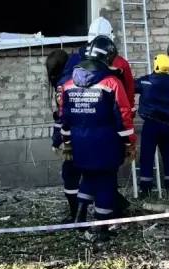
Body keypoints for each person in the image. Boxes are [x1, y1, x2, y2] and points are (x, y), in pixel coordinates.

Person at [56, 35, 135, 245]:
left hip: (80, 145)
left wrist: (67, 143)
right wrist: (129, 143)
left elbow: (64, 117)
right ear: (107, 57)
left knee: (89, 178)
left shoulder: (69, 84)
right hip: (106, 144)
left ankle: (80, 218)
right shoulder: (111, 83)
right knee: (106, 184)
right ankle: (102, 228)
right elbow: (123, 116)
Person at [135, 53, 169, 198]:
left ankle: (145, 190)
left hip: (151, 124)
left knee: (147, 157)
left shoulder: (146, 81)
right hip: (167, 125)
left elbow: (132, 87)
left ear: (156, 65)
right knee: (168, 156)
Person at [45, 48, 80, 223]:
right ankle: (113, 211)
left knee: (70, 174)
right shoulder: (80, 73)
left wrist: (57, 140)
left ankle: (77, 217)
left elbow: (62, 117)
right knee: (96, 176)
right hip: (95, 133)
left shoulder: (63, 85)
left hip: (75, 137)